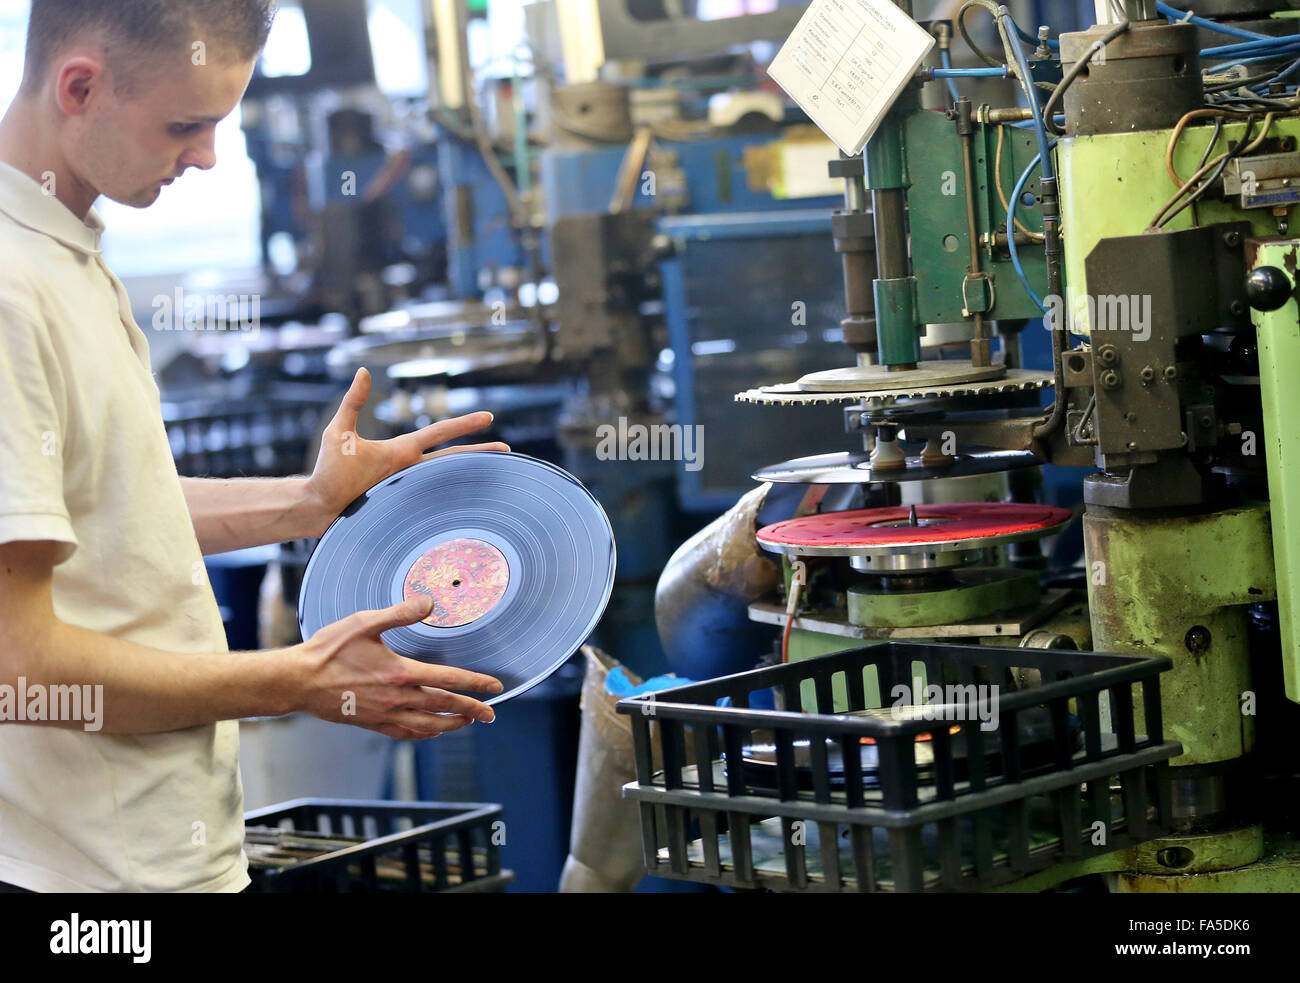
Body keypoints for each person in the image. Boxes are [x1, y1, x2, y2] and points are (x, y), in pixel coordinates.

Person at [0, 0, 506, 893]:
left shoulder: (65, 248)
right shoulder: (11, 290)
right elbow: (16, 665)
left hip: (151, 848)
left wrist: (308, 503)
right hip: (87, 883)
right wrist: (295, 679)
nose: (206, 156)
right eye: (185, 125)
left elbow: (108, 510)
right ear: (78, 86)